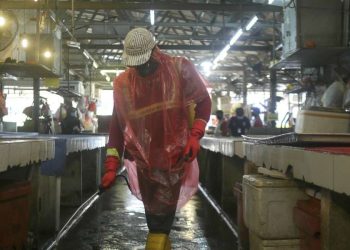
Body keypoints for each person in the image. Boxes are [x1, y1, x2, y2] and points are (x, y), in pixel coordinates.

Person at [99, 27, 211, 249]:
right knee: (155, 219)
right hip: (144, 164)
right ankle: (160, 241)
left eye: (144, 63)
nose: (141, 69)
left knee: (161, 220)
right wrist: (111, 165)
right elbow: (116, 128)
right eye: (136, 65)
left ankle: (158, 241)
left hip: (175, 158)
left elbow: (203, 102)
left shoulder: (179, 69)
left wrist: (195, 135)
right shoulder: (123, 85)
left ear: (154, 52)